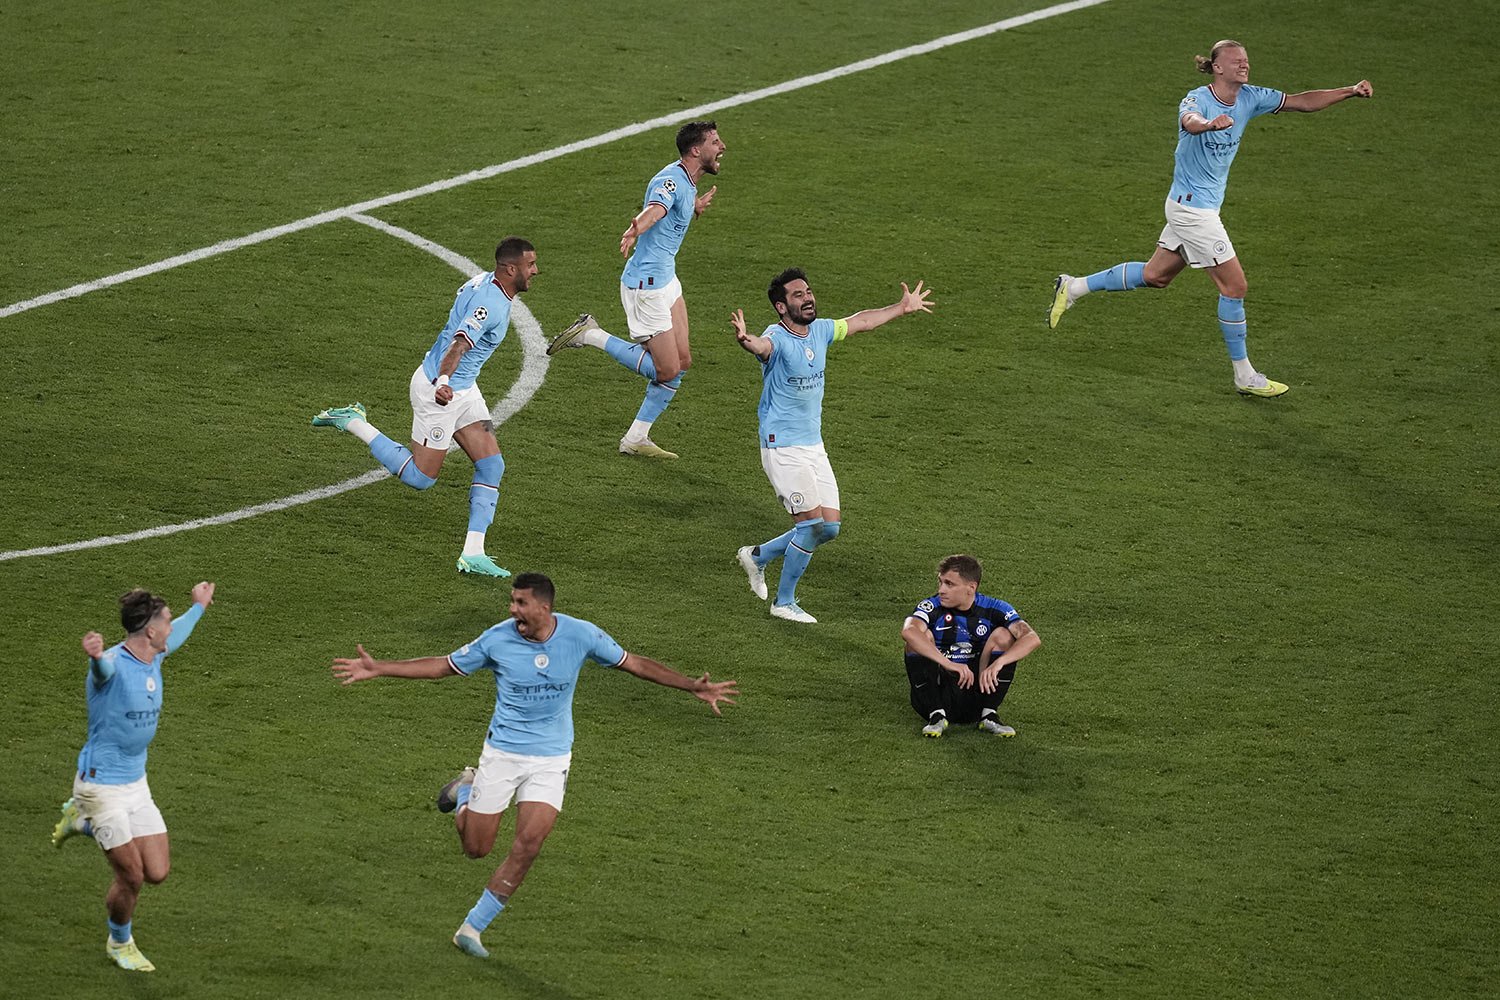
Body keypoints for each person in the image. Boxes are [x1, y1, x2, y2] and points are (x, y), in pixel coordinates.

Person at [330, 572, 738, 959]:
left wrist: (690, 685)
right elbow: (443, 666)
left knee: (528, 846)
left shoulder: (581, 634)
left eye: (520, 602)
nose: (512, 610)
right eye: (511, 601)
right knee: (477, 849)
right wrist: (379, 667)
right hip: (503, 755)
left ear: (544, 607)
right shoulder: (496, 640)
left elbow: (633, 663)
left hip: (552, 758)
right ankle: (466, 792)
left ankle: (471, 929)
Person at [1048, 40, 1373, 397]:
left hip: (1198, 206)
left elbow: (1300, 101)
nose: (1244, 66)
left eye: (1246, 60)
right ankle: (1244, 375)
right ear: (1217, 67)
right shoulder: (1197, 99)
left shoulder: (1250, 97)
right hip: (1192, 210)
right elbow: (1189, 122)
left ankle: (1073, 286)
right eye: (1236, 61)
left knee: (1156, 276)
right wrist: (1209, 125)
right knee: (1235, 287)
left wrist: (1349, 92)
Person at [312, 237, 541, 578]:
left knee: (492, 465)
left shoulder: (485, 282)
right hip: (439, 392)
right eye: (530, 265)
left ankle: (473, 553)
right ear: (511, 269)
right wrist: (444, 381)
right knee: (421, 478)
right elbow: (460, 344)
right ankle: (353, 421)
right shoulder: (489, 305)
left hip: (463, 389)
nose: (535, 270)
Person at [731, 268, 934, 623]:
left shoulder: (821, 330)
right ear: (781, 307)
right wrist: (746, 340)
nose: (807, 298)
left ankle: (757, 556)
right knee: (810, 525)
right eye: (797, 295)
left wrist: (901, 308)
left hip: (813, 444)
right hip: (783, 447)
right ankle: (783, 602)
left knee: (830, 527)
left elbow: (861, 322)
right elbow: (762, 348)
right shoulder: (776, 337)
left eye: (808, 292)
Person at [50, 581, 217, 972]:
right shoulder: (112, 664)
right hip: (100, 788)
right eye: (168, 621)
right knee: (133, 877)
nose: (171, 628)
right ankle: (119, 942)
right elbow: (103, 671)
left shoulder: (153, 656)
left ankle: (82, 821)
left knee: (158, 872)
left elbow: (183, 634)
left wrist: (200, 608)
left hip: (135, 783)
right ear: (150, 631)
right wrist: (93, 656)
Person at [544, 121, 726, 459]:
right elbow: (655, 209)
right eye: (716, 142)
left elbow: (672, 207)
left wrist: (694, 207)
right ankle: (590, 334)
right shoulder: (669, 180)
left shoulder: (686, 183)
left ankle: (635, 439)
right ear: (696, 150)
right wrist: (636, 229)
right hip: (646, 288)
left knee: (683, 361)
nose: (723, 147)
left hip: (666, 280)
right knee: (666, 370)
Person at [901, 555, 1039, 738]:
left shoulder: (994, 608)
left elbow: (1031, 637)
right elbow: (909, 631)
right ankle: (936, 716)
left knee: (1004, 636)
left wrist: (1000, 663)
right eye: (940, 582)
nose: (941, 590)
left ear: (971, 588)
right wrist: (949, 664)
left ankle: (989, 714)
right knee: (918, 639)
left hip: (975, 691)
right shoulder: (931, 606)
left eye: (949, 584)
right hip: (936, 693)